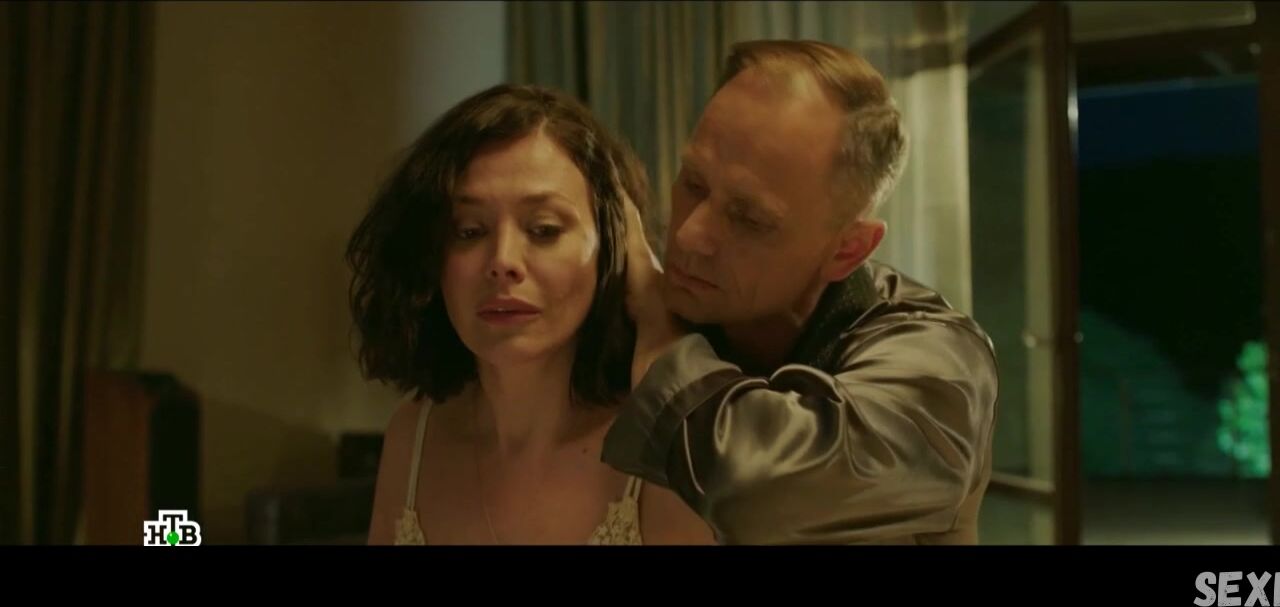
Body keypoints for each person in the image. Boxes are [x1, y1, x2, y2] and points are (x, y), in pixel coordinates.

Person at [602, 39, 1000, 545]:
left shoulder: (938, 361)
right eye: (694, 184)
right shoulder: (670, 311)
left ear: (848, 249)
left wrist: (661, 339)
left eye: (749, 218)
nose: (687, 235)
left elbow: (764, 493)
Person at [351, 83, 715, 545]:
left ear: (614, 248)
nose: (503, 260)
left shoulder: (668, 452)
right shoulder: (413, 439)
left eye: (544, 229)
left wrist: (653, 306)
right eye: (469, 231)